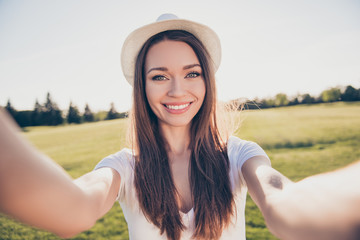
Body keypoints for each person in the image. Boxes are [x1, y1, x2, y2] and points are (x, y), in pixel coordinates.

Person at [0, 13, 359, 240]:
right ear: (141, 87)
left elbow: (283, 202)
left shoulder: (239, 154)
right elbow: (74, 209)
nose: (177, 90)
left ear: (207, 80)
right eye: (159, 76)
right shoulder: (126, 167)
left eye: (192, 73)